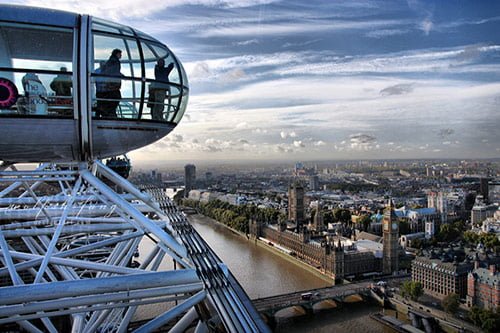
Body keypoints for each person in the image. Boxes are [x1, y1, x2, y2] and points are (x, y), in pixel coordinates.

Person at [98, 49, 123, 118]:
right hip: (113, 85)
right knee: (115, 98)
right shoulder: (114, 61)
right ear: (116, 54)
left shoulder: (110, 61)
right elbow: (113, 71)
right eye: (120, 54)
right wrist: (120, 76)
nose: (121, 55)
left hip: (110, 85)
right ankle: (110, 113)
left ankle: (109, 113)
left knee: (113, 99)